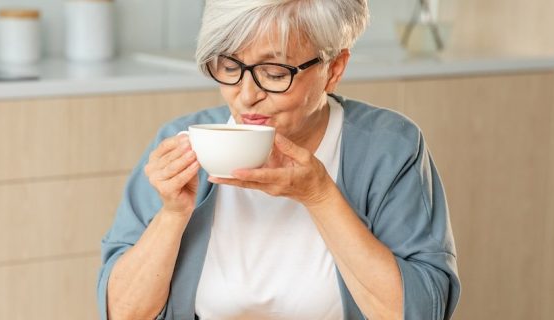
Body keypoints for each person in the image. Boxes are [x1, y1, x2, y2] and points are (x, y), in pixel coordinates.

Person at [97, 0, 460, 319]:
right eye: (228, 66)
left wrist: (319, 195)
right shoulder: (181, 142)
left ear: (333, 69)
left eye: (274, 73)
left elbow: (420, 312)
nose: (246, 95)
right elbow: (123, 313)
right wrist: (173, 214)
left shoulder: (389, 148)